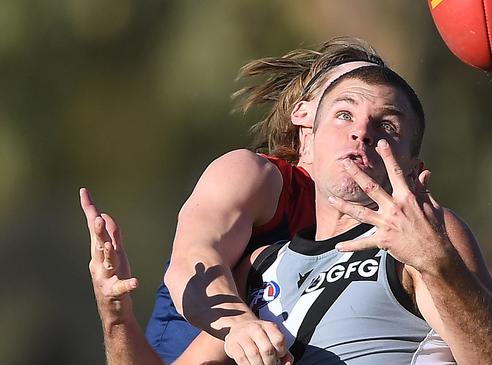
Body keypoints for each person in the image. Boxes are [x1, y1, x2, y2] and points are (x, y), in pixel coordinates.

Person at [84, 62, 492, 364]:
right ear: (307, 141)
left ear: (414, 168)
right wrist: (117, 316)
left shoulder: (424, 240)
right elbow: (193, 262)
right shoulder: (264, 265)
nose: (361, 132)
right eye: (343, 114)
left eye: (387, 126)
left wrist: (439, 265)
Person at [141, 38, 385, 364]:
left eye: (382, 115)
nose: (362, 124)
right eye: (345, 106)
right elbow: (192, 261)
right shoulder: (256, 176)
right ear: (304, 113)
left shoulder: (385, 224)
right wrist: (239, 326)